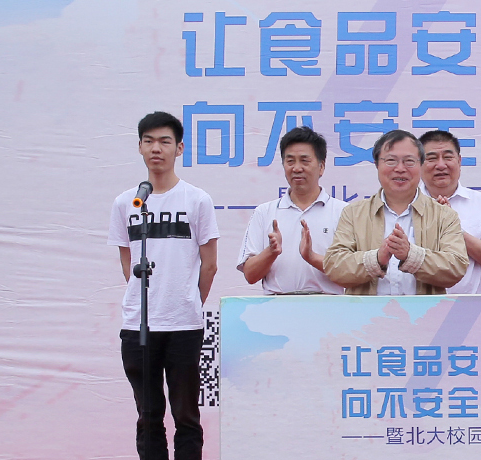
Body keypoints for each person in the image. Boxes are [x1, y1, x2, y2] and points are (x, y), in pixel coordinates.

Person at [107, 111, 219, 460]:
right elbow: (127, 261)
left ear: (179, 148)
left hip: (184, 325)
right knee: (149, 415)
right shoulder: (126, 202)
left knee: (186, 415)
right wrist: (147, 299)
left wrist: (188, 300)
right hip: (138, 326)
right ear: (140, 147)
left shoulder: (197, 200)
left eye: (164, 141)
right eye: (149, 141)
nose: (156, 148)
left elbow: (210, 264)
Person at [323, 129, 468, 295]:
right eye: (391, 161)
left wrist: (411, 255)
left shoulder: (444, 215)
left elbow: (456, 267)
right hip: (366, 312)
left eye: (409, 161)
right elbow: (334, 266)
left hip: (425, 312)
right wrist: (376, 259)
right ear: (377, 164)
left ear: (421, 165)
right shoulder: (353, 213)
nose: (400, 168)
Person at [237, 126, 346, 294]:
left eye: (305, 161)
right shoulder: (264, 212)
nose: (296, 168)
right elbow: (250, 275)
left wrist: (311, 257)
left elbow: (353, 273)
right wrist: (271, 252)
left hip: (328, 304)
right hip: (277, 305)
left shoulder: (343, 212)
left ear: (321, 166)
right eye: (290, 161)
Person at [418, 130, 481, 294]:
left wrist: (452, 227)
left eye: (448, 157)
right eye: (432, 158)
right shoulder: (407, 204)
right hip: (419, 305)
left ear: (459, 161)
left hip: (474, 305)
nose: (441, 165)